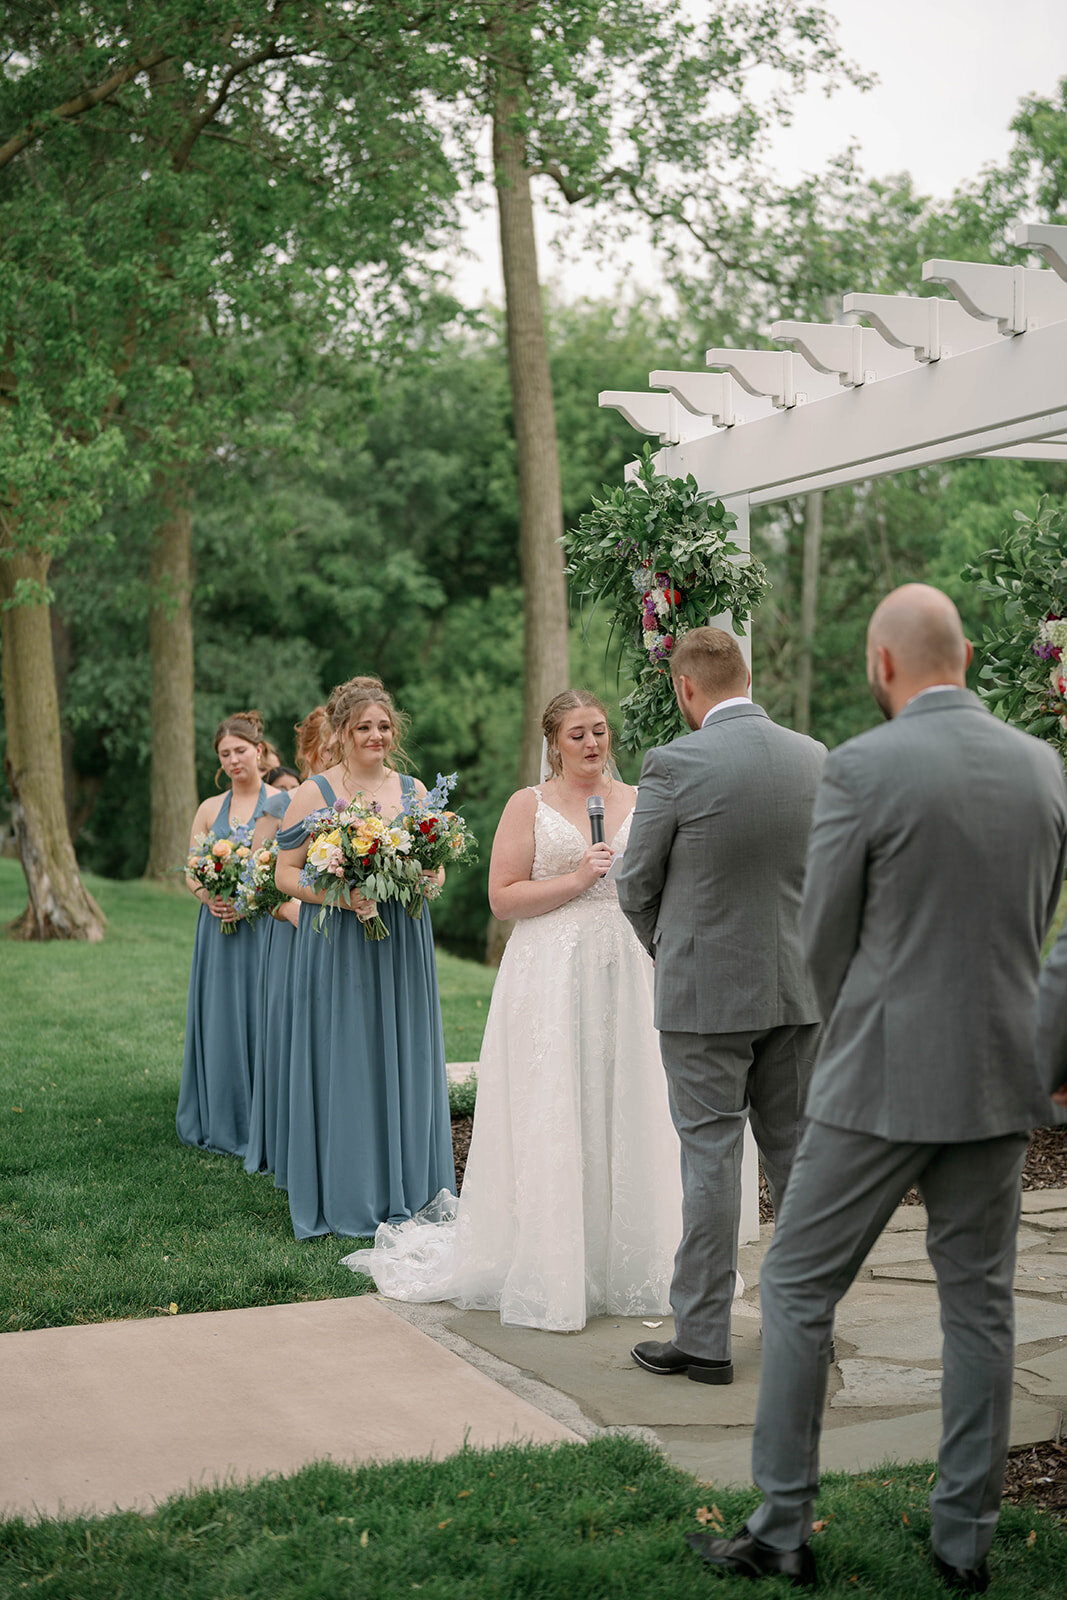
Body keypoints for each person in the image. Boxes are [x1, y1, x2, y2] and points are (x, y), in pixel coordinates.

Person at [692, 585, 1067, 1593]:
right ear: (968, 653)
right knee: (980, 1308)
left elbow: (819, 940)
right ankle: (962, 1545)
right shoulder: (1043, 768)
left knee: (796, 1284)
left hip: (877, 1079)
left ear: (882, 663)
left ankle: (778, 1529)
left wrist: (854, 1028)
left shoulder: (862, 765)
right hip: (999, 1075)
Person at [354, 689, 683, 1330]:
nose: (593, 744)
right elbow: (502, 899)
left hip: (625, 966)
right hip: (550, 971)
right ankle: (553, 1261)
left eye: (600, 731)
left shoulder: (639, 800)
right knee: (557, 1101)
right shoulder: (526, 805)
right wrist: (576, 879)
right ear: (553, 745)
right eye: (578, 735)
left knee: (626, 1098)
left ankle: (630, 1260)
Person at [616, 627, 826, 1384]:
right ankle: (807, 1327)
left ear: (685, 688)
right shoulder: (813, 757)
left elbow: (634, 882)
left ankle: (704, 1341)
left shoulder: (674, 763)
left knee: (710, 1161)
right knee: (798, 1162)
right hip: (796, 991)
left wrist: (668, 949)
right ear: (747, 675)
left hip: (704, 997)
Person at [274, 677, 454, 1240]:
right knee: (349, 1060)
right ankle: (351, 1189)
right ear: (343, 734)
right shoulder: (315, 793)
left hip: (404, 943)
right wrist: (338, 897)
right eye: (363, 728)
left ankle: (411, 1185)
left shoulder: (416, 788)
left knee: (405, 1054)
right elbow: (283, 873)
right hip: (342, 946)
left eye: (383, 726)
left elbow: (439, 865)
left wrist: (430, 876)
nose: (375, 735)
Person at [176, 710, 279, 1157]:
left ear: (258, 751)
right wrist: (208, 897)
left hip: (263, 929)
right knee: (220, 1020)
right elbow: (190, 870)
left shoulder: (280, 802)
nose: (234, 760)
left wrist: (250, 898)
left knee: (262, 1017)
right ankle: (220, 1116)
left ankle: (265, 1121)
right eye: (225, 754)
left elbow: (285, 868)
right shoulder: (207, 808)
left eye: (241, 751)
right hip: (217, 930)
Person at [245, 711, 337, 1186]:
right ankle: (286, 1140)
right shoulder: (283, 804)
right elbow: (257, 883)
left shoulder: (352, 802)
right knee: (293, 1039)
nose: (332, 758)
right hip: (293, 934)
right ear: (307, 754)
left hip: (340, 935)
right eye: (324, 751)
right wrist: (290, 911)